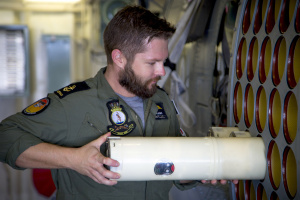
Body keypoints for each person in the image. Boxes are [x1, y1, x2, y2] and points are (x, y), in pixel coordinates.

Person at [0, 5, 236, 200]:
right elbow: (5, 137)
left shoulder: (161, 100)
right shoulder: (73, 104)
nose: (162, 71)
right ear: (119, 58)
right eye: (152, 63)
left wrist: (200, 169)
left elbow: (171, 168)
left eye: (163, 62)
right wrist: (74, 159)